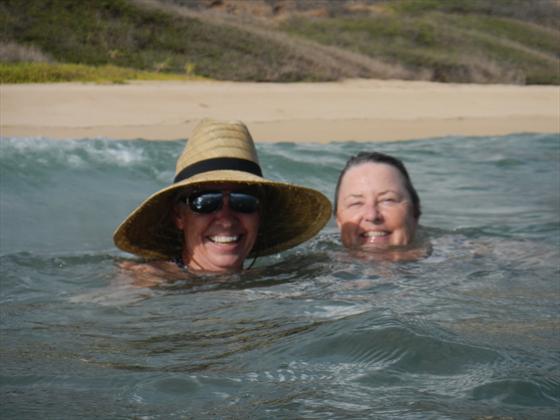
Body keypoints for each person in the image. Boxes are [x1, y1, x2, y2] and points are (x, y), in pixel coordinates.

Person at [113, 119, 332, 276]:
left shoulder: (275, 280)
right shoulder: (149, 279)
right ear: (179, 216)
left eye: (243, 202)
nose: (226, 220)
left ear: (260, 214)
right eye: (206, 202)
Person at [334, 151, 422, 258]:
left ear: (415, 212)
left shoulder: (444, 261)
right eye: (356, 203)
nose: (372, 216)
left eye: (388, 200)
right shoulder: (320, 267)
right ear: (338, 220)